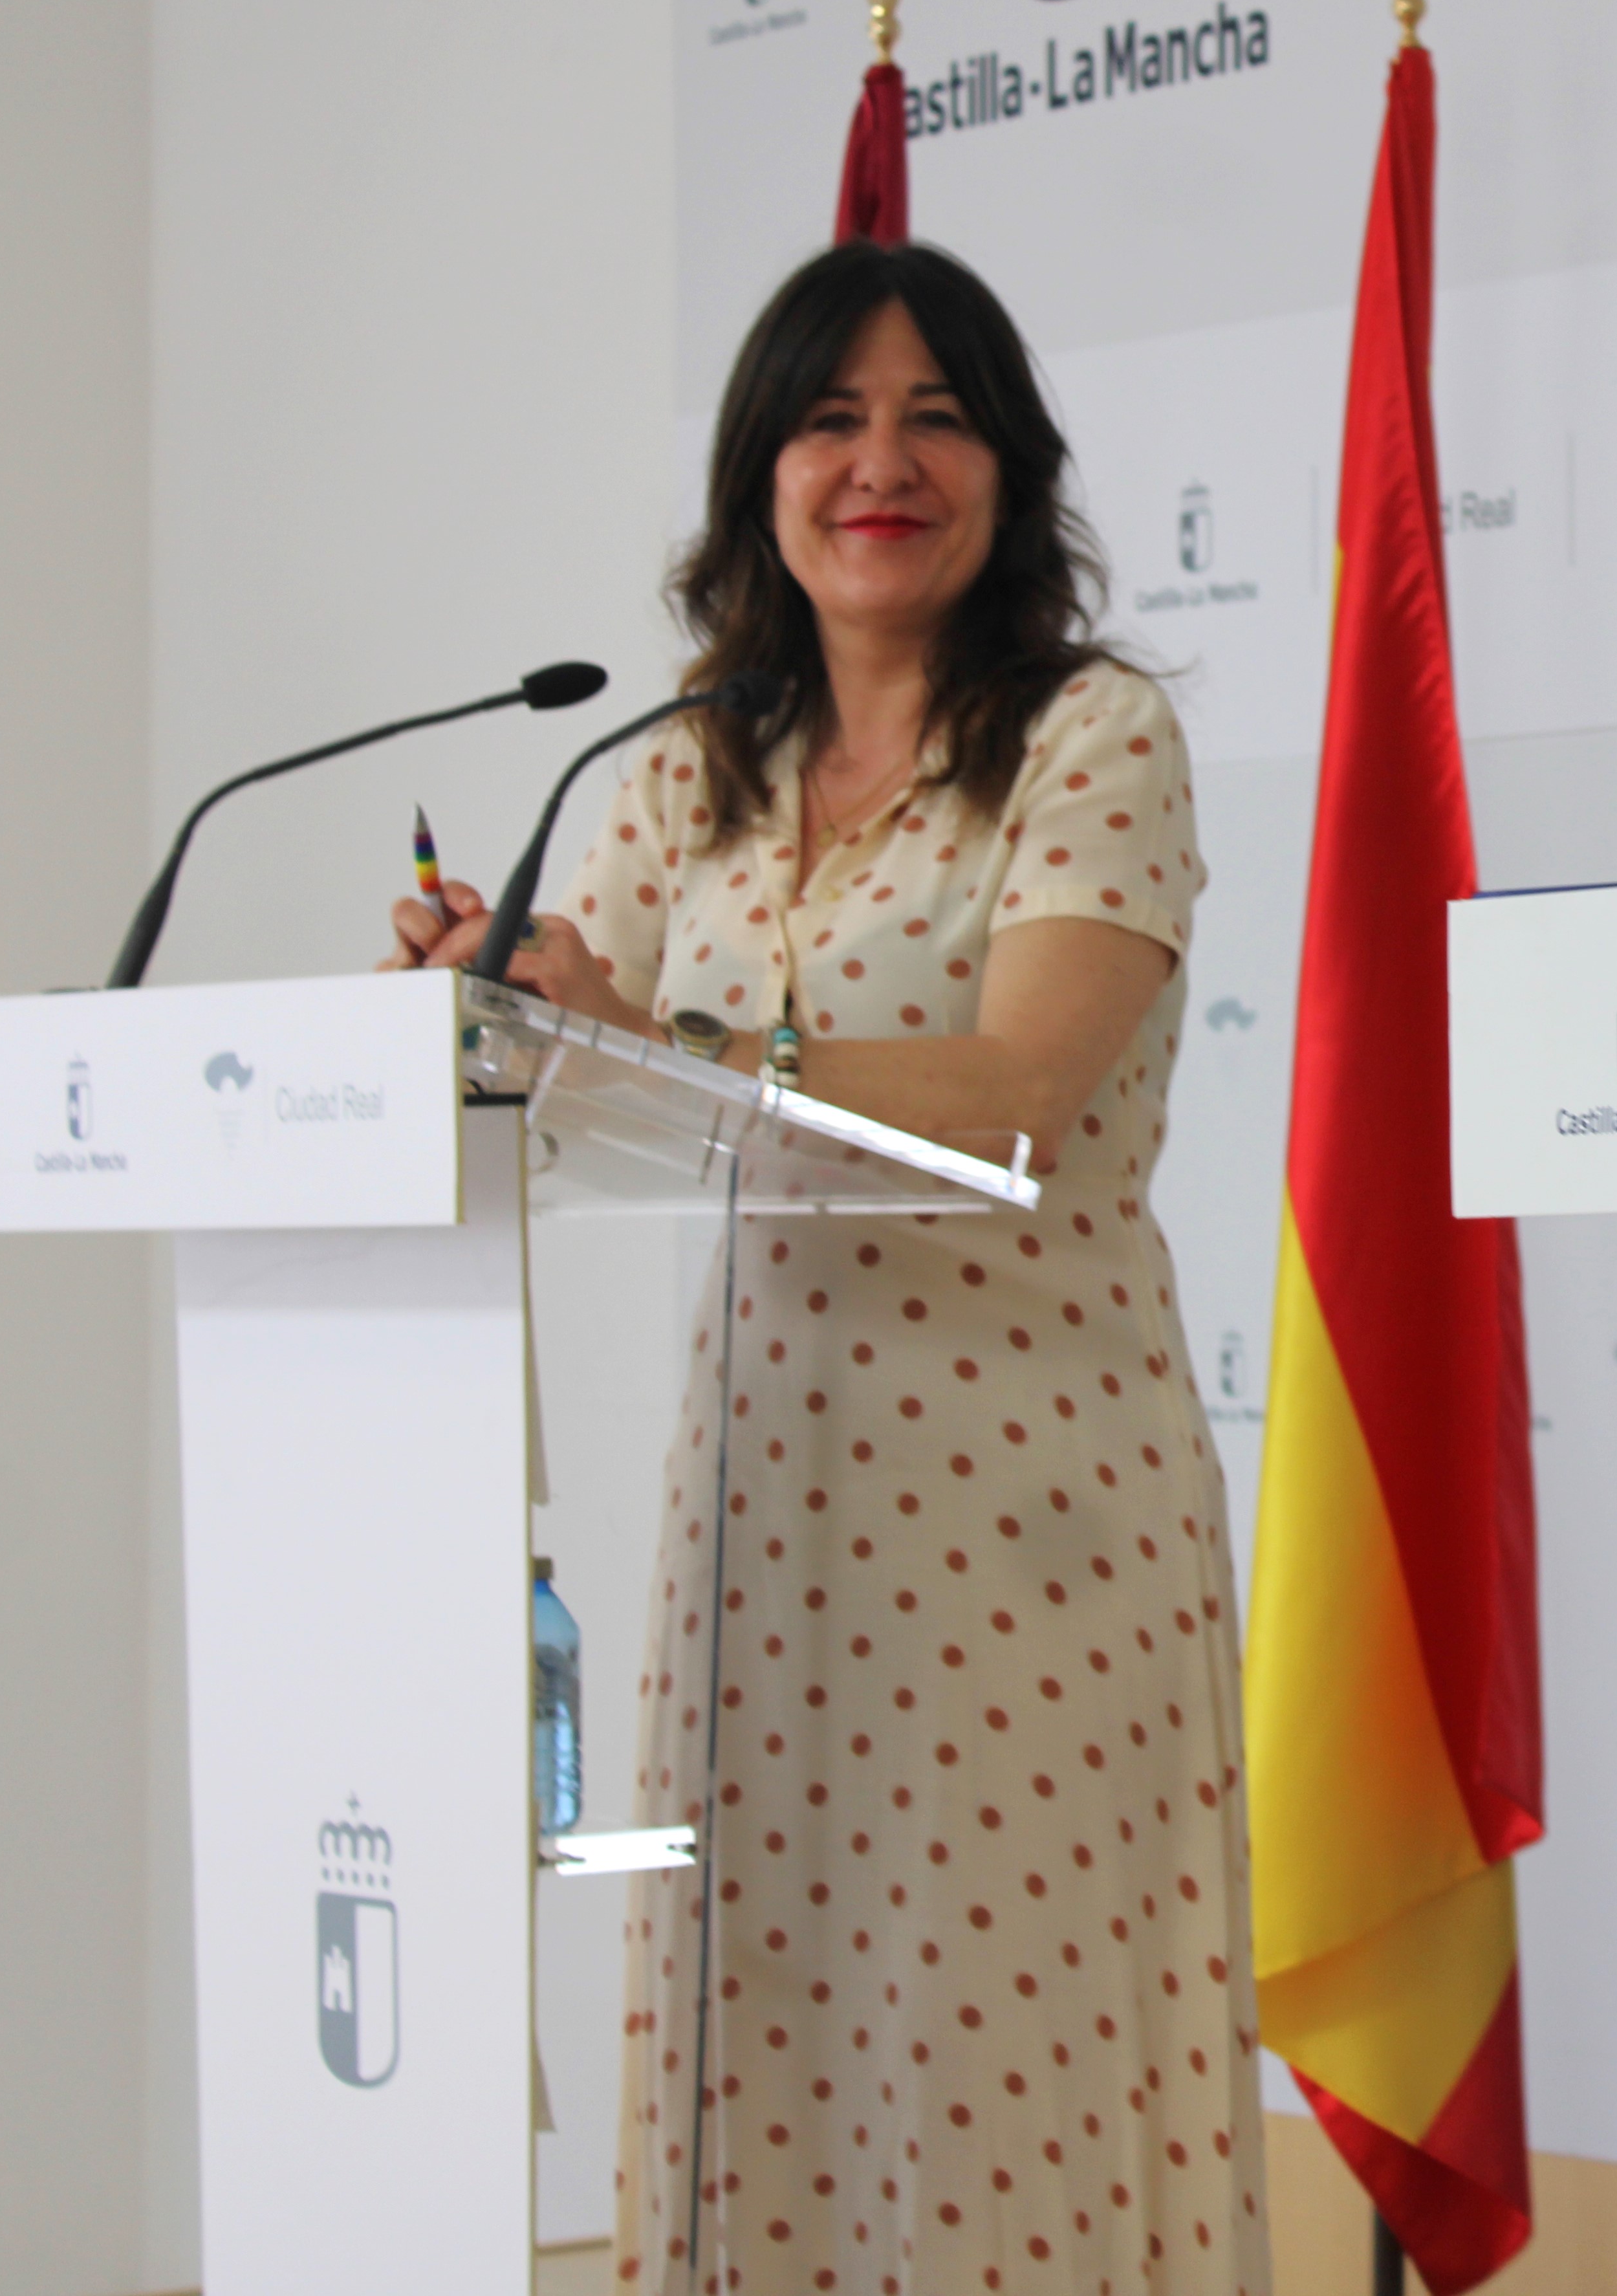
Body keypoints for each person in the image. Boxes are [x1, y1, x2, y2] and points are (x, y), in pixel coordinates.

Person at [390, 239, 1265, 2295]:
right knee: (770, 2044)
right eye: (831, 419)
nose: (882, 463)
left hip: (1030, 1524)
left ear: (1009, 471)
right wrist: (483, 1004)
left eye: (936, 418)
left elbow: (1025, 1086)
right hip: (769, 1517)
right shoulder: (684, 768)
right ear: (758, 479)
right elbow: (580, 1048)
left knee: (1007, 2083)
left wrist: (662, 1035)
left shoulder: (1091, 734)